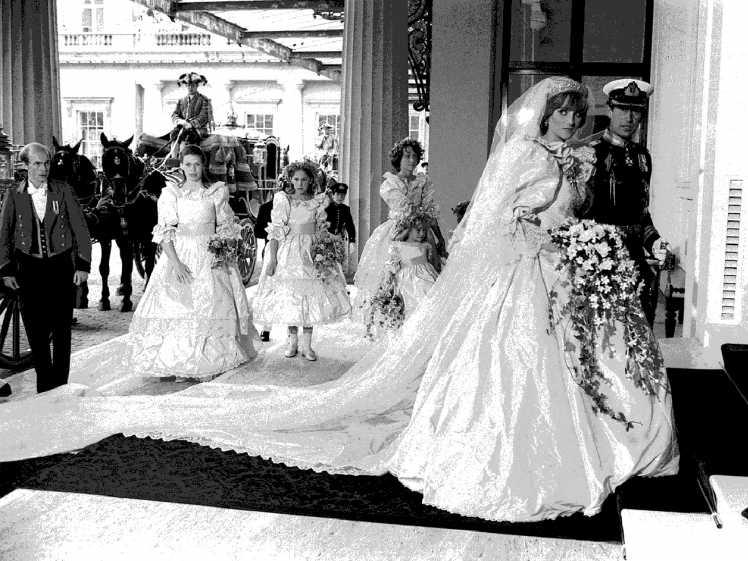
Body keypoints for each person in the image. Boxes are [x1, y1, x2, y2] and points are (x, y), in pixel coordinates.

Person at [0, 78, 678, 526]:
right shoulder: (524, 156)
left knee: (572, 362)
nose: (569, 124)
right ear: (545, 116)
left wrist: (579, 226)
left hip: (555, 272)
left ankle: (597, 436)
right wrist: (535, 225)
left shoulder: (582, 159)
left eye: (575, 118)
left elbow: (570, 209)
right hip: (518, 276)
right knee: (508, 366)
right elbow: (499, 219)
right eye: (563, 115)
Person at [128, 144, 255, 379]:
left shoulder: (216, 191)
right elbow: (165, 232)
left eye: (197, 164)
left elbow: (226, 227)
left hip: (210, 253)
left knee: (211, 304)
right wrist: (176, 264)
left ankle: (206, 359)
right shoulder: (172, 193)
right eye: (188, 164)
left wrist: (222, 251)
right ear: (182, 166)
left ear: (203, 165)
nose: (193, 169)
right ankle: (175, 360)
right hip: (182, 253)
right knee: (177, 305)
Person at [0, 142, 91, 393]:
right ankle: (44, 387)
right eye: (37, 164)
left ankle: (61, 386)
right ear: (25, 166)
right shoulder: (14, 194)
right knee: (36, 330)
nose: (43, 168)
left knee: (62, 330)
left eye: (46, 163)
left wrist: (82, 265)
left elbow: (81, 230)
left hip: (60, 268)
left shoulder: (62, 191)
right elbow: (3, 235)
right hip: (27, 270)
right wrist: (6, 270)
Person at [581, 79, 669, 325]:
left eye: (636, 111)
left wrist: (655, 242)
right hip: (601, 258)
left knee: (639, 333)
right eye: (622, 109)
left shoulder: (643, 157)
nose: (629, 118)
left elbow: (642, 214)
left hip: (635, 259)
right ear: (610, 109)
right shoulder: (591, 152)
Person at [253, 161, 351, 361]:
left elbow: (323, 228)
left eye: (304, 179)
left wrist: (325, 251)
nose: (299, 183)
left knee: (309, 296)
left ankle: (307, 345)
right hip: (290, 251)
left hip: (311, 251)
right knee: (292, 295)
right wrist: (271, 260)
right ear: (290, 180)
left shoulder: (317, 201)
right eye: (296, 179)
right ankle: (292, 341)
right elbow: (276, 232)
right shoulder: (284, 200)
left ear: (310, 181)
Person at [353, 138, 445, 321]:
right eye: (407, 156)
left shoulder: (423, 181)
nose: (412, 160)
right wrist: (418, 215)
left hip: (421, 229)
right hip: (399, 230)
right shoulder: (390, 183)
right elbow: (403, 207)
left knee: (426, 270)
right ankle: (393, 313)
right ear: (398, 159)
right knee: (393, 271)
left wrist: (438, 235)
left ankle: (422, 317)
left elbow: (429, 208)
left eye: (415, 156)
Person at [253, 178, 295, 342]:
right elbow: (258, 232)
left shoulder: (297, 207)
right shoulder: (266, 208)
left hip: (290, 251)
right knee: (269, 288)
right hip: (272, 249)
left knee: (288, 289)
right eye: (289, 186)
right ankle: (266, 327)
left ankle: (289, 328)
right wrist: (275, 235)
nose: (291, 190)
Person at [389, 213, 438, 317]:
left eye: (424, 230)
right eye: (418, 230)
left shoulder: (426, 245)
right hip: (407, 278)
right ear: (409, 230)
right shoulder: (399, 245)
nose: (422, 233)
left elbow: (431, 261)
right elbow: (393, 262)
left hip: (426, 274)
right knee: (413, 303)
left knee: (429, 296)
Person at [169, 72, 213, 157]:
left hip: (199, 129)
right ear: (186, 86)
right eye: (188, 85)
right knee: (174, 134)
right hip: (182, 127)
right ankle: (173, 160)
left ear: (197, 86)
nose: (190, 88)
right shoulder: (181, 100)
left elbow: (204, 116)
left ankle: (183, 160)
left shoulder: (204, 99)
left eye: (192, 85)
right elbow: (174, 114)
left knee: (186, 136)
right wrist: (179, 121)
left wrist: (190, 124)